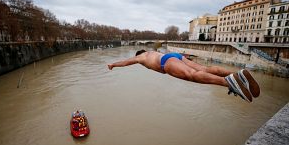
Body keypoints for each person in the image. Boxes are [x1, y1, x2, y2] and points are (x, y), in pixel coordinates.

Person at [107, 49, 260, 102]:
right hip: (175, 55)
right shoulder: (152, 52)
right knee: (205, 69)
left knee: (192, 75)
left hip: (166, 62)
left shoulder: (141, 57)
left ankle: (229, 83)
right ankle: (237, 75)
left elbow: (126, 62)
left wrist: (113, 64)